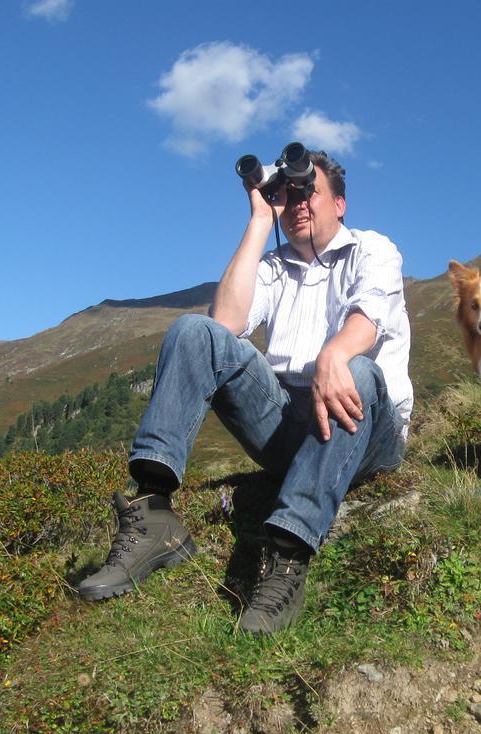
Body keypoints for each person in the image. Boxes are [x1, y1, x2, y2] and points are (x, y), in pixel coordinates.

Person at [77, 148, 413, 635]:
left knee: (357, 371)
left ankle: (288, 558)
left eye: (309, 191)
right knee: (194, 333)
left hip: (367, 431)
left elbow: (369, 318)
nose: (297, 202)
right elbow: (227, 324)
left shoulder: (373, 249)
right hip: (293, 428)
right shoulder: (274, 265)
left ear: (339, 203)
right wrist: (260, 218)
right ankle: (153, 514)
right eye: (288, 193)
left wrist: (333, 356)